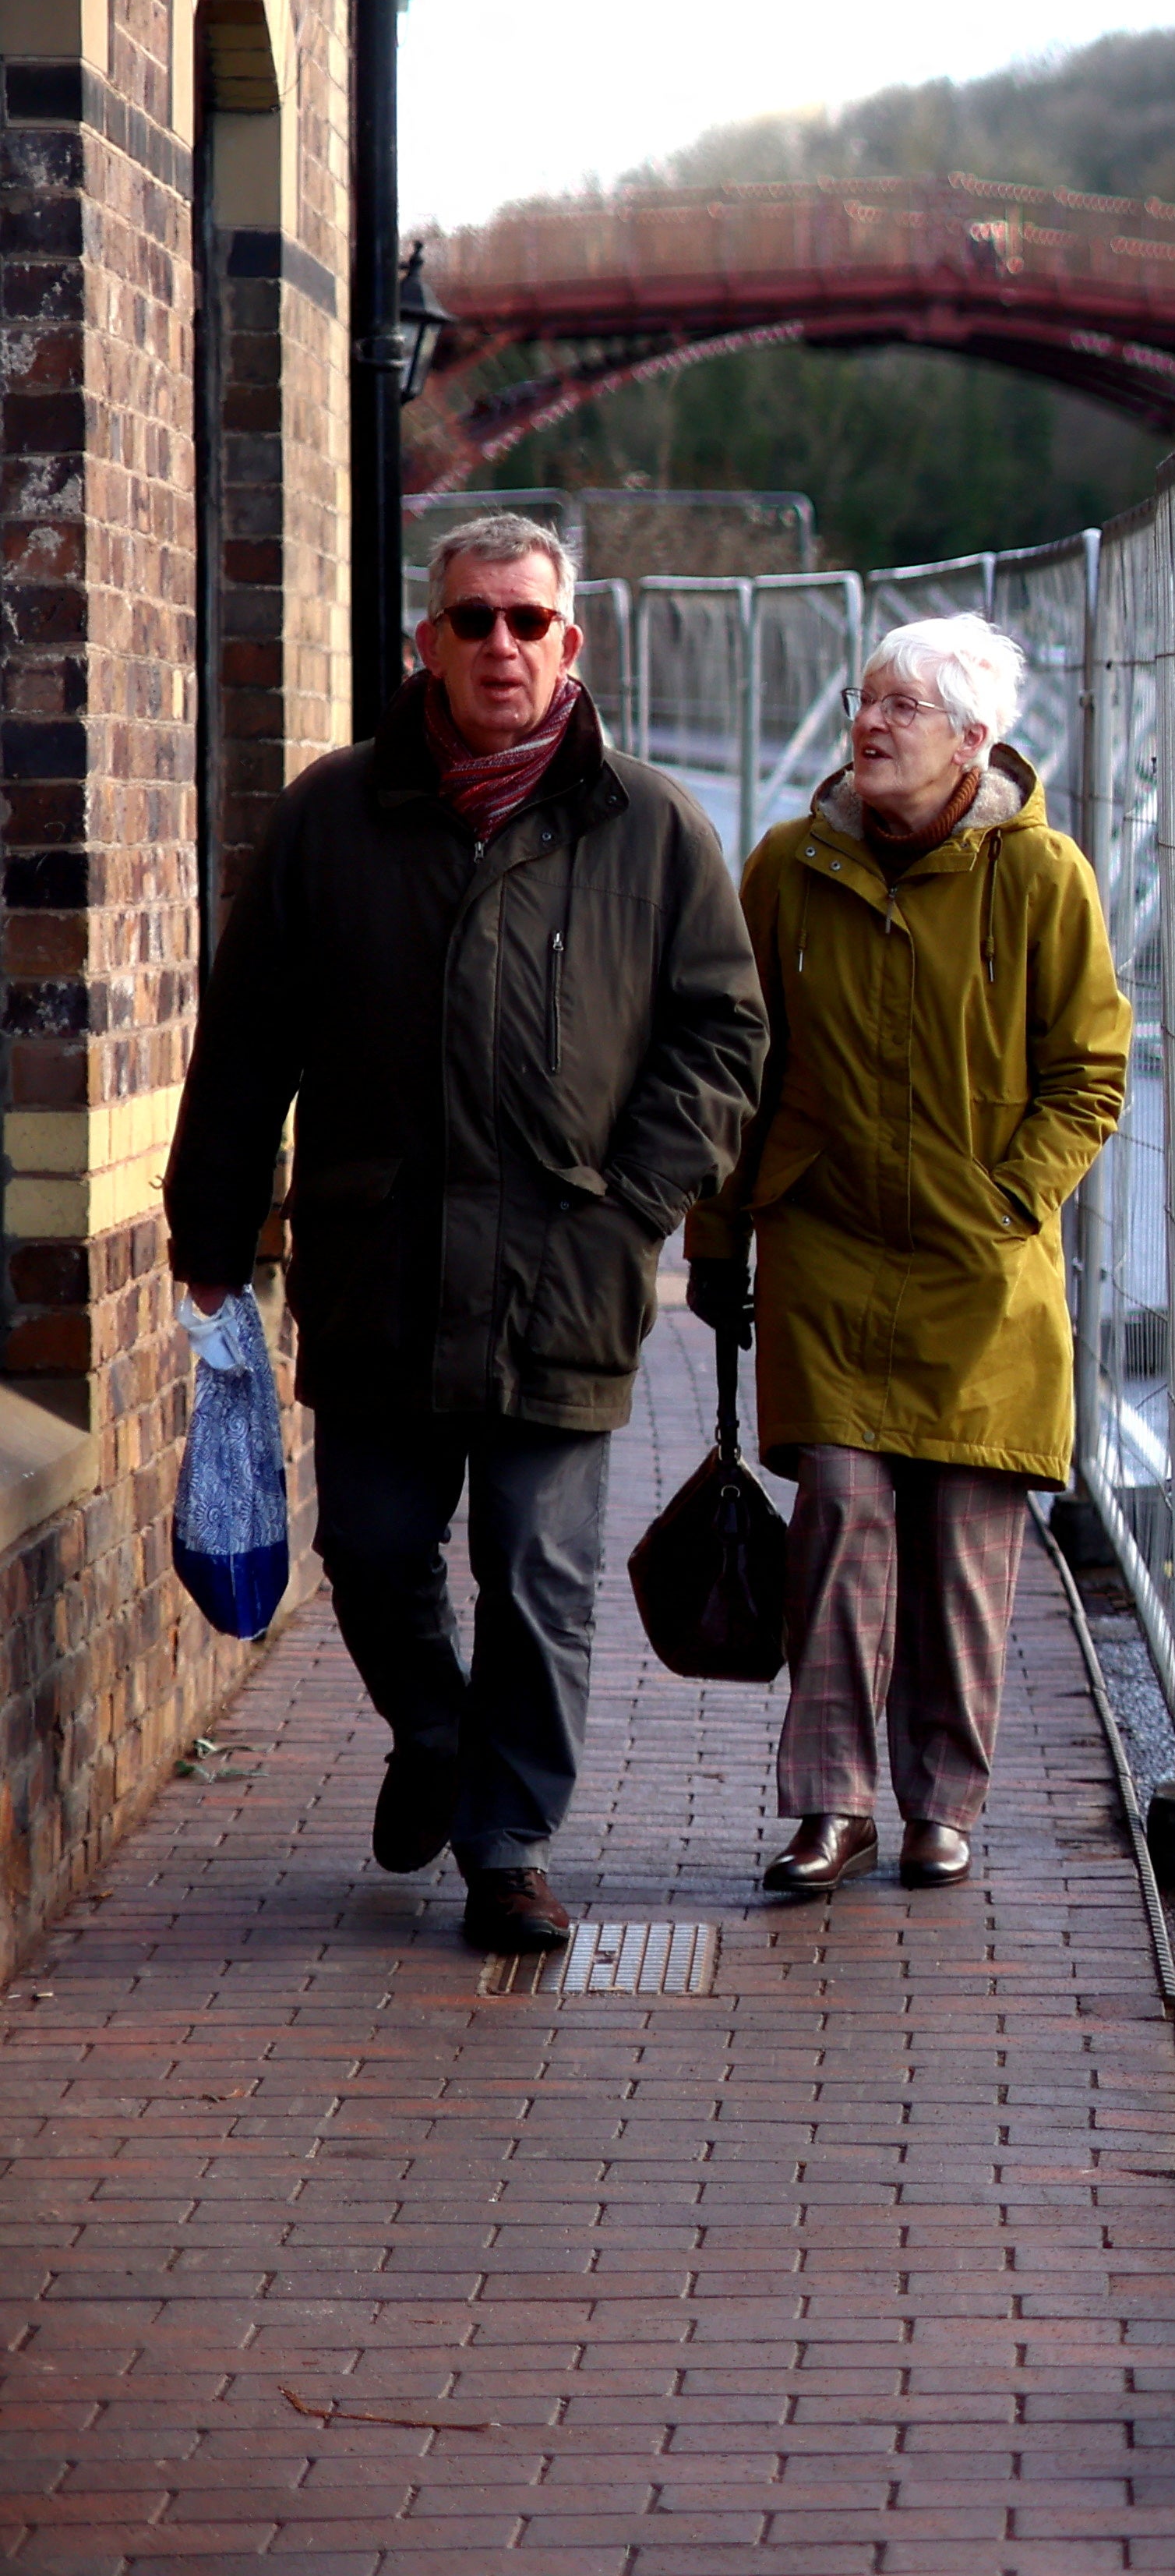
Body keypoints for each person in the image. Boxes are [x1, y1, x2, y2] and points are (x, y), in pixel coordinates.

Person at [163, 513, 766, 1956]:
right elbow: (250, 1042)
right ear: (428, 642)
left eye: (527, 621)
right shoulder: (333, 818)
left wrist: (636, 1200)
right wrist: (213, 1226)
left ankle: (506, 1845)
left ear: (571, 644)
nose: (500, 643)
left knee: (536, 1569)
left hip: (568, 1270)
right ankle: (432, 1734)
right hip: (379, 1265)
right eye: (472, 619)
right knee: (372, 1549)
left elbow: (724, 1033)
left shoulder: (653, 826)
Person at [694, 613, 1131, 1896]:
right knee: (836, 1513)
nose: (870, 728)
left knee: (959, 1549)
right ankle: (831, 1802)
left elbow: (1090, 1069)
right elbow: (737, 1066)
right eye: (863, 703)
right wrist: (717, 1238)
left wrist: (1013, 1199)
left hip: (979, 1269)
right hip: (827, 1250)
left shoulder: (1042, 878)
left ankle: (943, 1800)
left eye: (901, 709)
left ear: (972, 741)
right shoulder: (788, 868)